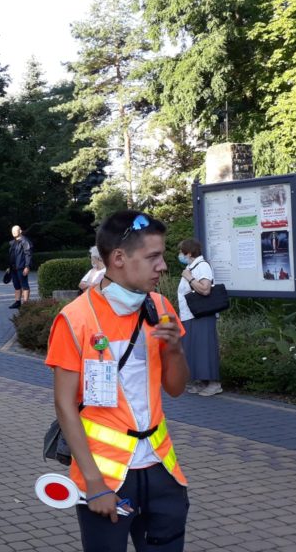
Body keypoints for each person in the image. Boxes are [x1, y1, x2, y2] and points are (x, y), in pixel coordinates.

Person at [46, 211, 190, 552]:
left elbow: (176, 388)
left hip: (161, 469)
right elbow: (64, 405)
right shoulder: (75, 318)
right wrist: (94, 482)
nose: (163, 266)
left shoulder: (159, 306)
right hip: (104, 477)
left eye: (163, 255)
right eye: (153, 256)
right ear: (119, 258)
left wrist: (174, 349)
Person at [177, 238, 221, 397]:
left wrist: (190, 278)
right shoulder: (191, 266)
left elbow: (205, 289)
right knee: (193, 348)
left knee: (205, 348)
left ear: (189, 253)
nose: (180, 255)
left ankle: (214, 383)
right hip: (190, 314)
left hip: (202, 314)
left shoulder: (202, 266)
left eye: (181, 252)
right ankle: (201, 381)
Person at [9, 225, 33, 309]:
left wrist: (27, 266)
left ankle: (26, 303)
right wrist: (9, 267)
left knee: (24, 284)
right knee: (16, 285)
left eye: (15, 231)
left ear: (20, 231)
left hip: (22, 267)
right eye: (13, 231)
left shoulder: (25, 241)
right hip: (14, 267)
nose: (14, 232)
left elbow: (28, 254)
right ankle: (17, 302)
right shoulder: (13, 242)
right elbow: (11, 256)